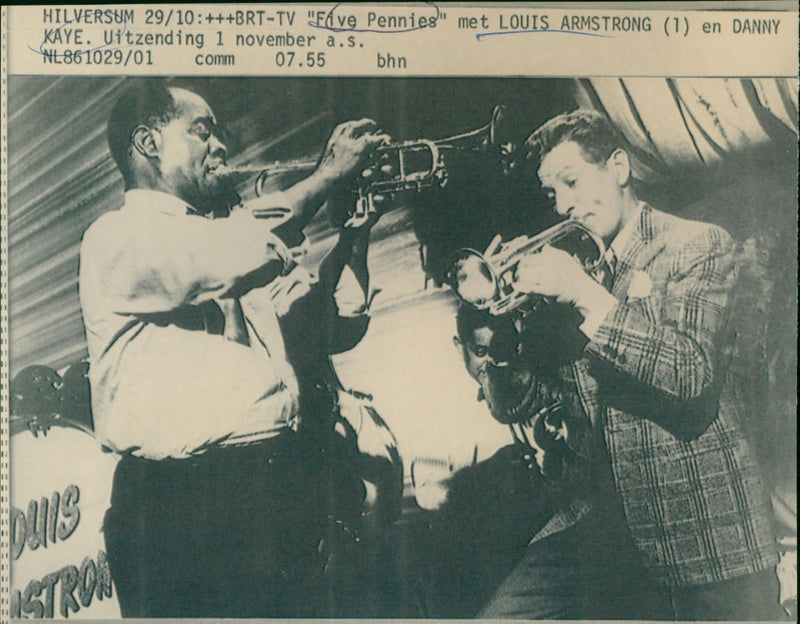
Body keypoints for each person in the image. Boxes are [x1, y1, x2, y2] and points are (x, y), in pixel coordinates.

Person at [78, 78, 389, 617]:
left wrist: (354, 234)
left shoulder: (228, 236)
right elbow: (217, 262)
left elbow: (330, 329)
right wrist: (325, 176)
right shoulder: (116, 235)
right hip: (178, 506)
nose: (222, 147)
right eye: (202, 131)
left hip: (267, 487)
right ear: (149, 144)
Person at [479, 109, 779, 620]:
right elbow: (521, 406)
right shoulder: (574, 267)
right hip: (598, 522)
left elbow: (689, 377)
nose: (563, 204)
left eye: (572, 181)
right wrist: (502, 339)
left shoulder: (695, 244)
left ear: (619, 167)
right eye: (553, 195)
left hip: (699, 523)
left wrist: (582, 294)